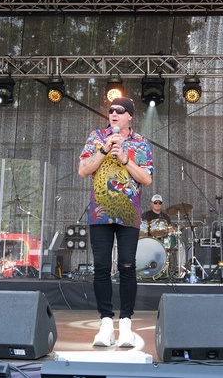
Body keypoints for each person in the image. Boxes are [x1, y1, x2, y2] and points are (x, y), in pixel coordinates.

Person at [78, 97, 153, 348]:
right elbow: (83, 170)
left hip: (129, 214)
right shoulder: (96, 137)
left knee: (127, 266)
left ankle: (126, 326)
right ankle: (106, 325)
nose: (114, 114)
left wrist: (125, 159)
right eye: (111, 110)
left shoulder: (141, 143)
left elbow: (146, 179)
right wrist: (103, 150)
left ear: (129, 116)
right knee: (101, 267)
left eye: (120, 111)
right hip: (100, 214)